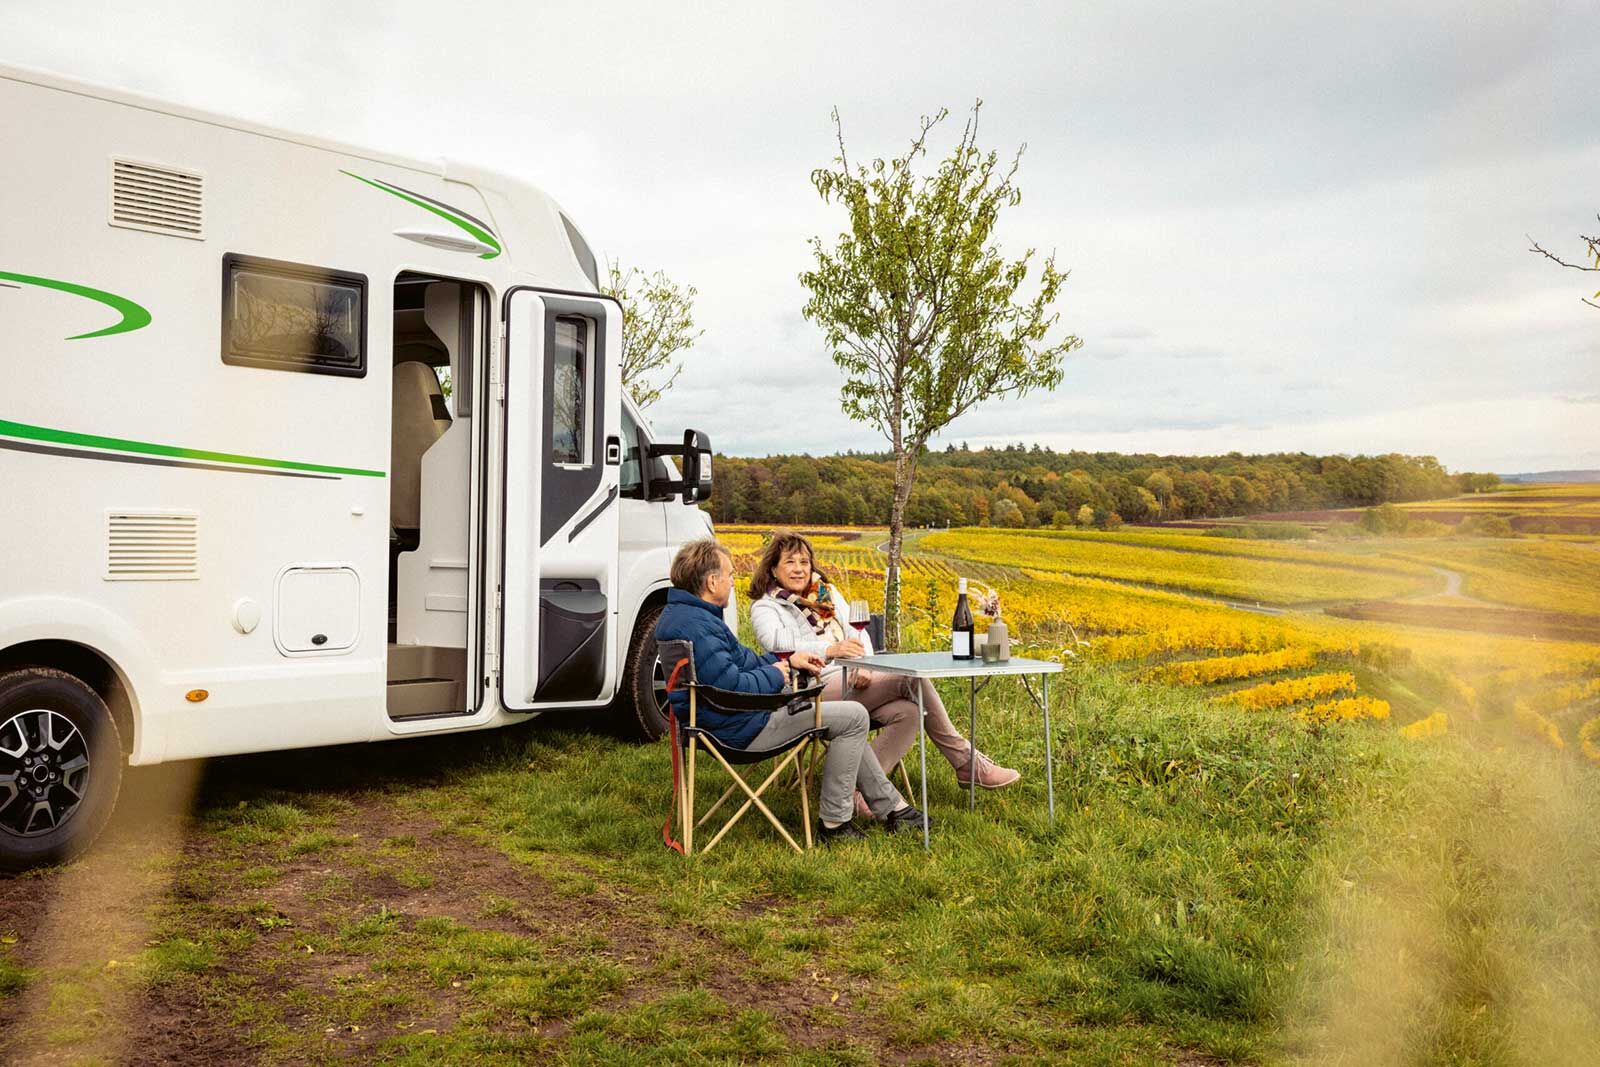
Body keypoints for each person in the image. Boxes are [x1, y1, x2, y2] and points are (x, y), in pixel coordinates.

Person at [654, 538, 930, 842]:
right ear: (711, 581)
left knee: (848, 716)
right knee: (852, 717)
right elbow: (731, 685)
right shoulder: (698, 626)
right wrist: (776, 675)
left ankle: (894, 809)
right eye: (730, 575)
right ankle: (837, 823)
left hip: (722, 720)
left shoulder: (688, 617)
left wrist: (786, 660)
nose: (733, 583)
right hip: (740, 728)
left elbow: (743, 663)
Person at [748, 531, 1020, 820]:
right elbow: (777, 643)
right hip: (808, 689)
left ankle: (861, 791)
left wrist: (866, 664)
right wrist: (831, 649)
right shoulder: (766, 606)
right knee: (910, 679)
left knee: (909, 711)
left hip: (851, 678)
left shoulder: (826, 592)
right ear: (773, 569)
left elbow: (858, 631)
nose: (800, 568)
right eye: (790, 562)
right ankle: (966, 761)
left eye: (805, 561)